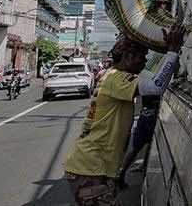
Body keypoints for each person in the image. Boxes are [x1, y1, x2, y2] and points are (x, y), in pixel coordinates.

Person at [64, 27, 185, 206]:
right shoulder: (117, 79)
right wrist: (172, 52)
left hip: (91, 167)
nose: (144, 62)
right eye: (141, 58)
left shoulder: (111, 77)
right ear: (128, 57)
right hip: (91, 169)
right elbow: (156, 86)